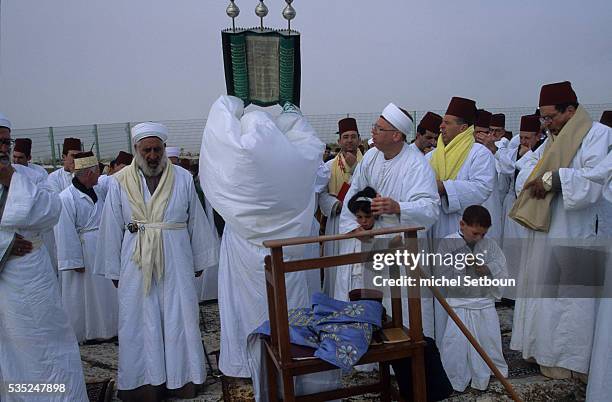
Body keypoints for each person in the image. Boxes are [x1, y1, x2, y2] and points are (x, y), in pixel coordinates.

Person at [200, 96, 323, 379]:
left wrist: (234, 102)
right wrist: (289, 112)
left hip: (243, 249)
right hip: (284, 249)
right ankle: (294, 359)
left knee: (245, 308)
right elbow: (310, 144)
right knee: (288, 306)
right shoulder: (292, 162)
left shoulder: (236, 162)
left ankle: (246, 366)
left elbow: (218, 127)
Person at [95, 122, 219, 401]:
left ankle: (183, 380)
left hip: (176, 259)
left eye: (157, 149)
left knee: (180, 317)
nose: (152, 155)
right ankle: (143, 384)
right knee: (139, 320)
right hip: (135, 261)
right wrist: (114, 269)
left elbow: (196, 221)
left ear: (164, 149)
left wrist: (199, 260)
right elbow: (112, 225)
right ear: (136, 150)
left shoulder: (184, 178)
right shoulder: (119, 181)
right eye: (147, 149)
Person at [510, 81, 612, 380]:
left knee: (572, 299)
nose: (546, 123)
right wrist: (536, 181)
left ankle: (573, 362)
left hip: (579, 231)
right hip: (545, 230)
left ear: (571, 110)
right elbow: (525, 174)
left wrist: (556, 180)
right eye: (542, 117)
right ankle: (545, 353)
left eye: (550, 116)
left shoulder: (599, 136)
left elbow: (597, 179)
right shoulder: (551, 140)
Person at [0, 112, 88, 401]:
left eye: (5, 142)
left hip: (33, 274)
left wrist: (13, 181)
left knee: (48, 343)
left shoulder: (30, 176)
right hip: (5, 277)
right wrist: (6, 243)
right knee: (12, 353)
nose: (3, 148)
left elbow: (51, 211)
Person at [339, 102, 440, 337]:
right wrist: (356, 227)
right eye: (375, 125)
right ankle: (373, 359)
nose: (372, 131)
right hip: (371, 242)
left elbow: (430, 208)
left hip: (401, 248)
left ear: (396, 135)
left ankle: (408, 354)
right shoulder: (372, 156)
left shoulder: (416, 164)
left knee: (403, 306)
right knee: (373, 300)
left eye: (379, 128)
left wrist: (398, 207)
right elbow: (354, 194)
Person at [436, 205, 508, 392]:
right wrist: (462, 268)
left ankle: (490, 370)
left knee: (488, 339)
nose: (479, 238)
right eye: (475, 233)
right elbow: (442, 275)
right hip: (460, 304)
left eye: (483, 234)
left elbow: (500, 267)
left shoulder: (489, 245)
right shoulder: (447, 243)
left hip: (483, 303)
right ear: (462, 224)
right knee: (456, 343)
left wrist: (485, 269)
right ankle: (456, 376)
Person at [55, 151, 118, 343]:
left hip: (101, 246)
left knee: (105, 292)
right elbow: (64, 231)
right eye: (98, 171)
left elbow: (116, 179)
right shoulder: (66, 198)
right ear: (90, 173)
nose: (100, 175)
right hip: (83, 251)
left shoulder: (99, 190)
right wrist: (74, 260)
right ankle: (87, 331)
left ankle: (109, 328)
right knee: (83, 295)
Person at [427, 97, 496, 243]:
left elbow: (482, 188)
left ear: (463, 128)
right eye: (442, 122)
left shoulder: (479, 153)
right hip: (435, 222)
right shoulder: (431, 156)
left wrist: (445, 187)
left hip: (464, 224)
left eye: (447, 123)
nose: (441, 126)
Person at [319, 117, 362, 295]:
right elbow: (321, 194)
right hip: (336, 222)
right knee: (335, 267)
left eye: (353, 136)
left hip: (359, 223)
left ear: (359, 139)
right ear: (339, 141)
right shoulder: (328, 167)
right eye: (346, 137)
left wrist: (354, 169)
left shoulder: (367, 164)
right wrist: (335, 204)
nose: (350, 140)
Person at [333, 186, 377, 301]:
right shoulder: (350, 234)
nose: (364, 221)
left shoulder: (380, 231)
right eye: (359, 217)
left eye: (368, 217)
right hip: (351, 279)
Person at [473, 109, 503, 243]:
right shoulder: (466, 150)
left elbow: (509, 169)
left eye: (485, 133)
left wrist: (493, 149)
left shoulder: (499, 149)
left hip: (491, 205)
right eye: (478, 132)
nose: (481, 136)